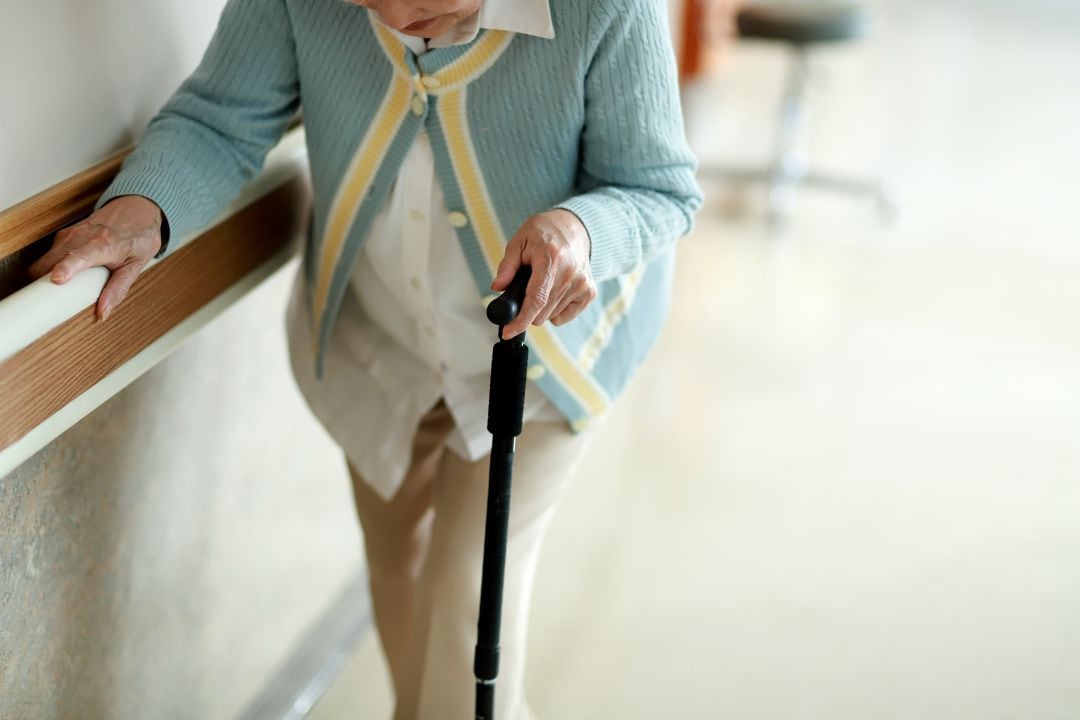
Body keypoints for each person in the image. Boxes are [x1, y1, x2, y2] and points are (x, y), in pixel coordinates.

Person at [27, 0, 703, 717]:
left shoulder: (606, 9)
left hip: (536, 369)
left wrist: (580, 231)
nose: (398, 18)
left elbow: (658, 188)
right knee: (401, 590)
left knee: (469, 621)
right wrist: (138, 211)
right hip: (378, 347)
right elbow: (220, 119)